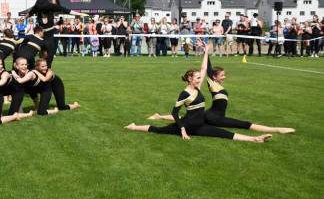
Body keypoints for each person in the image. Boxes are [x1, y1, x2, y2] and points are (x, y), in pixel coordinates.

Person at [125, 40, 272, 142]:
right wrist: (182, 129)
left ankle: (255, 139)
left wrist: (206, 51)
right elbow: (175, 113)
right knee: (158, 130)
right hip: (187, 126)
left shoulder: (197, 87)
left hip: (199, 126)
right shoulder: (185, 94)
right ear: (190, 78)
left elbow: (203, 69)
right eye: (197, 78)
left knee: (224, 134)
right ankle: (134, 127)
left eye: (200, 78)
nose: (199, 80)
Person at [148, 41, 295, 134]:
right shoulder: (212, 83)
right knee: (244, 125)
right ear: (215, 77)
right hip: (214, 117)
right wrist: (206, 52)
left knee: (186, 117)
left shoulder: (217, 84)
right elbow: (206, 67)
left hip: (213, 115)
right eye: (222, 76)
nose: (224, 77)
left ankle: (159, 116)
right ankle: (277, 129)